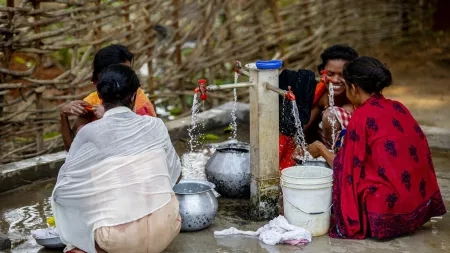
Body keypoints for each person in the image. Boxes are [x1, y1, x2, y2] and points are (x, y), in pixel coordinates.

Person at [308, 56, 446, 239]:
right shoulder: (398, 107)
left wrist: (321, 150)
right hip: (418, 206)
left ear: (354, 88)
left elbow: (345, 168)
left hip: (385, 209)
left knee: (345, 184)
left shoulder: (361, 117)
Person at [52, 64, 181, 253]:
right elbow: (175, 175)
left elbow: (63, 191)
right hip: (169, 226)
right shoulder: (156, 125)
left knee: (77, 216)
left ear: (101, 98)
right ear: (135, 96)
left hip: (116, 241)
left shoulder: (89, 132)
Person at [60, 44, 156, 151]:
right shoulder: (92, 102)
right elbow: (72, 149)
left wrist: (108, 118)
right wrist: (63, 115)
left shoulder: (139, 101)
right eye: (121, 71)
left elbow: (142, 144)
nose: (127, 77)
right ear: (100, 75)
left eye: (128, 71)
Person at [279, 45, 358, 171]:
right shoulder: (321, 95)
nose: (335, 80)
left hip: (353, 156)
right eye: (330, 74)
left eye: (342, 75)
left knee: (332, 114)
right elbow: (303, 126)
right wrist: (300, 146)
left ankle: (338, 164)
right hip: (325, 153)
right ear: (322, 73)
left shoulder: (358, 97)